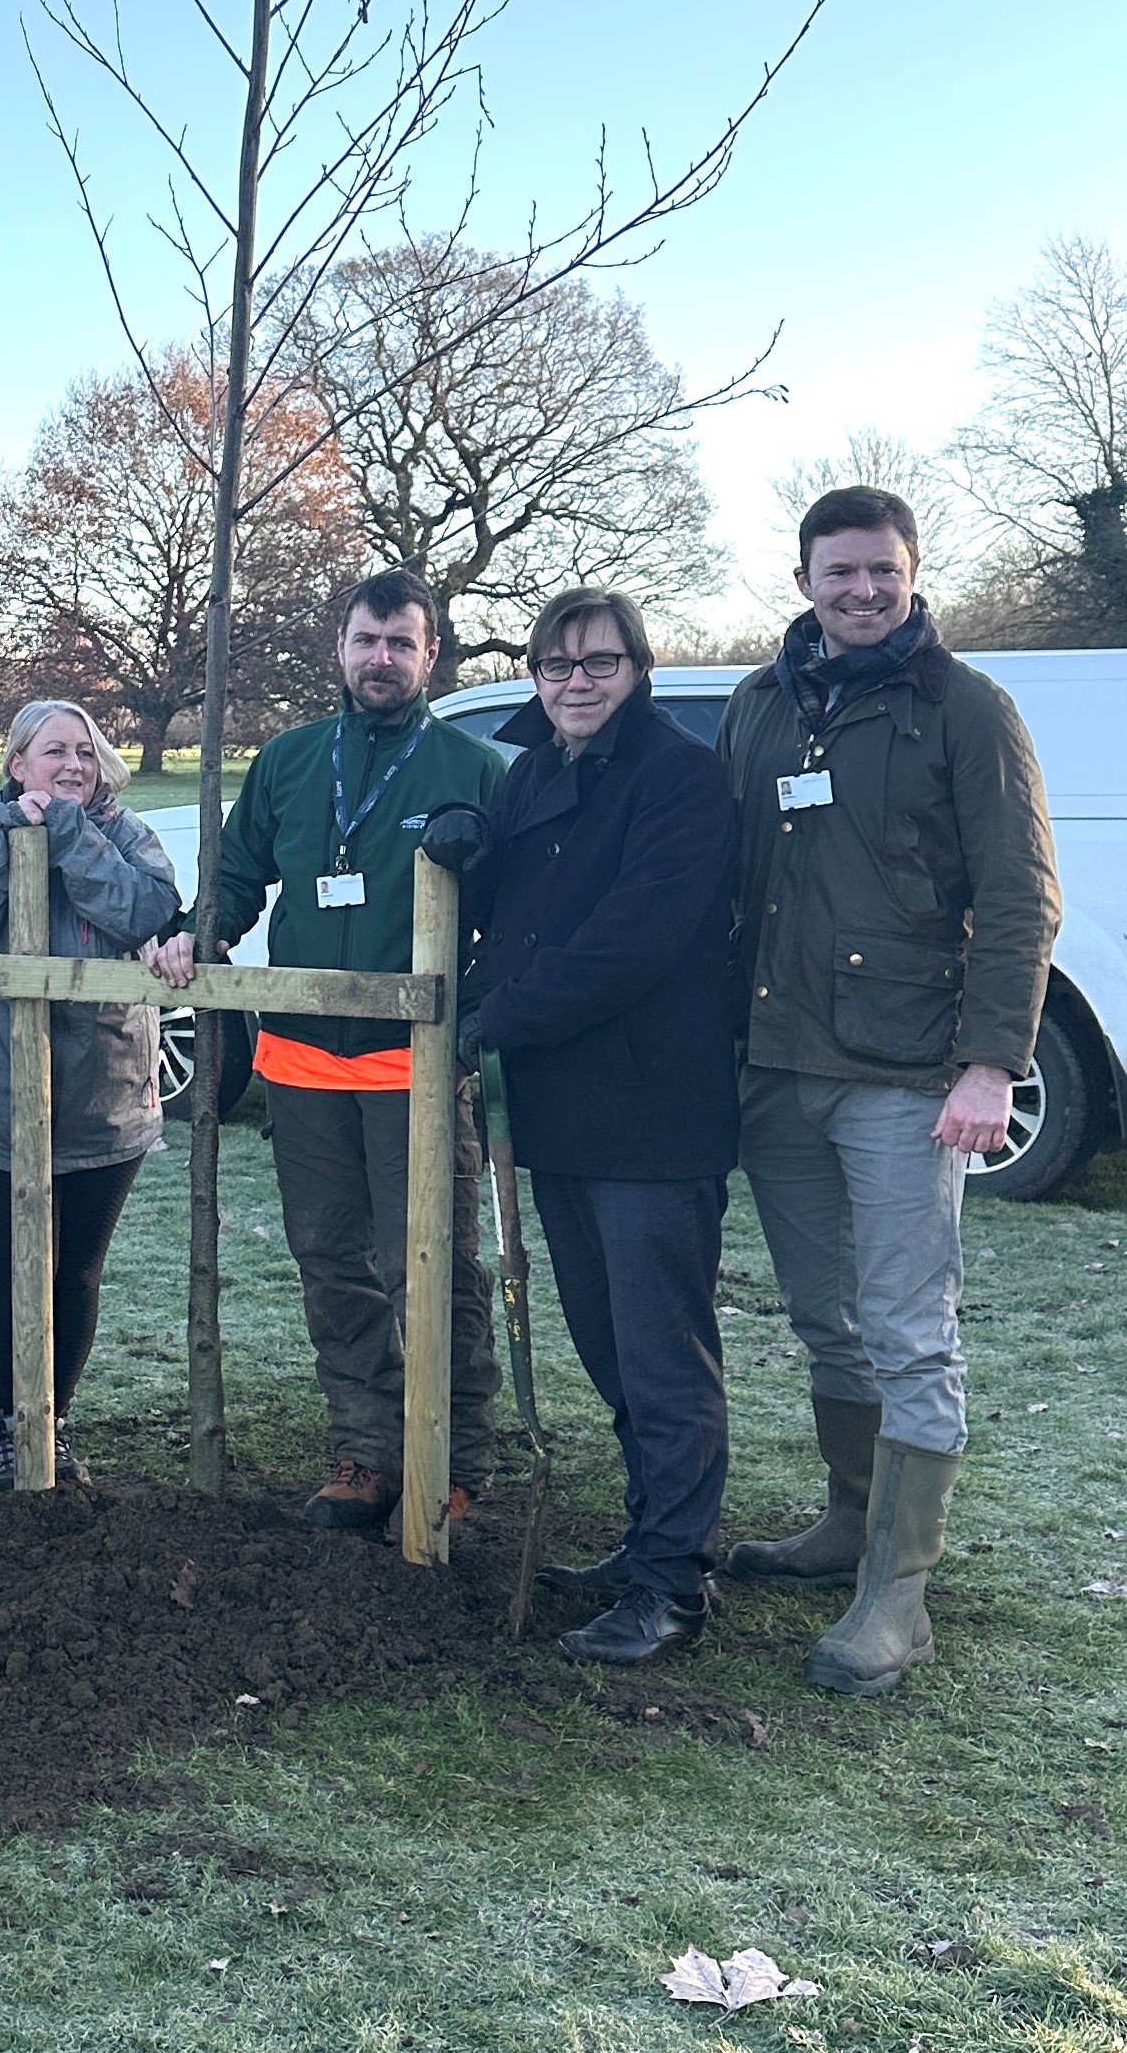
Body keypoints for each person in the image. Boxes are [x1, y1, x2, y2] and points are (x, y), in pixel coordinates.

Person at [715, 486, 1059, 1695]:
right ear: (803, 574)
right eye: (839, 570)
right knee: (828, 1317)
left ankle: (898, 1593)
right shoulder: (761, 706)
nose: (862, 590)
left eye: (882, 570)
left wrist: (989, 1062)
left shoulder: (965, 709)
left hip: (906, 1075)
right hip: (777, 1070)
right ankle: (847, 1525)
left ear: (913, 571)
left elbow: (1020, 896)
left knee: (912, 1328)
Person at [424, 588, 739, 1666]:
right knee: (607, 1344)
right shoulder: (532, 775)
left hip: (653, 1110)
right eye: (557, 666)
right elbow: (508, 913)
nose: (576, 682)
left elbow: (630, 940)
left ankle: (672, 1582)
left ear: (637, 669)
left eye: (599, 663)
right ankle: (650, 1536)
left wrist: (491, 1021)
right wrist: (469, 850)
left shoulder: (681, 777)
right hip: (560, 1111)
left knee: (660, 1354)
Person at [213, 568, 505, 1533]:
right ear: (339, 649)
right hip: (299, 1059)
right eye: (365, 641)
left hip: (412, 1067)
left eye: (401, 643)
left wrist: (479, 1030)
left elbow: (509, 920)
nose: (381, 659)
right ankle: (368, 1450)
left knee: (435, 1265)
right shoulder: (291, 760)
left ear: (431, 654)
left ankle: (452, 1461)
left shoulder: (470, 768)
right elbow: (238, 876)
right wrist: (196, 931)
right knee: (331, 1259)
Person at [0, 699, 186, 1494]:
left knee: (76, 1272)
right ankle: (5, 1425)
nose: (71, 764)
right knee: (17, 1264)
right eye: (52, 752)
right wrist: (14, 842)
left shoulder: (129, 835)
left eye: (85, 750)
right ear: (16, 765)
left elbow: (144, 910)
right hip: (9, 1095)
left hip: (107, 1095)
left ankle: (52, 1423)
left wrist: (68, 834)